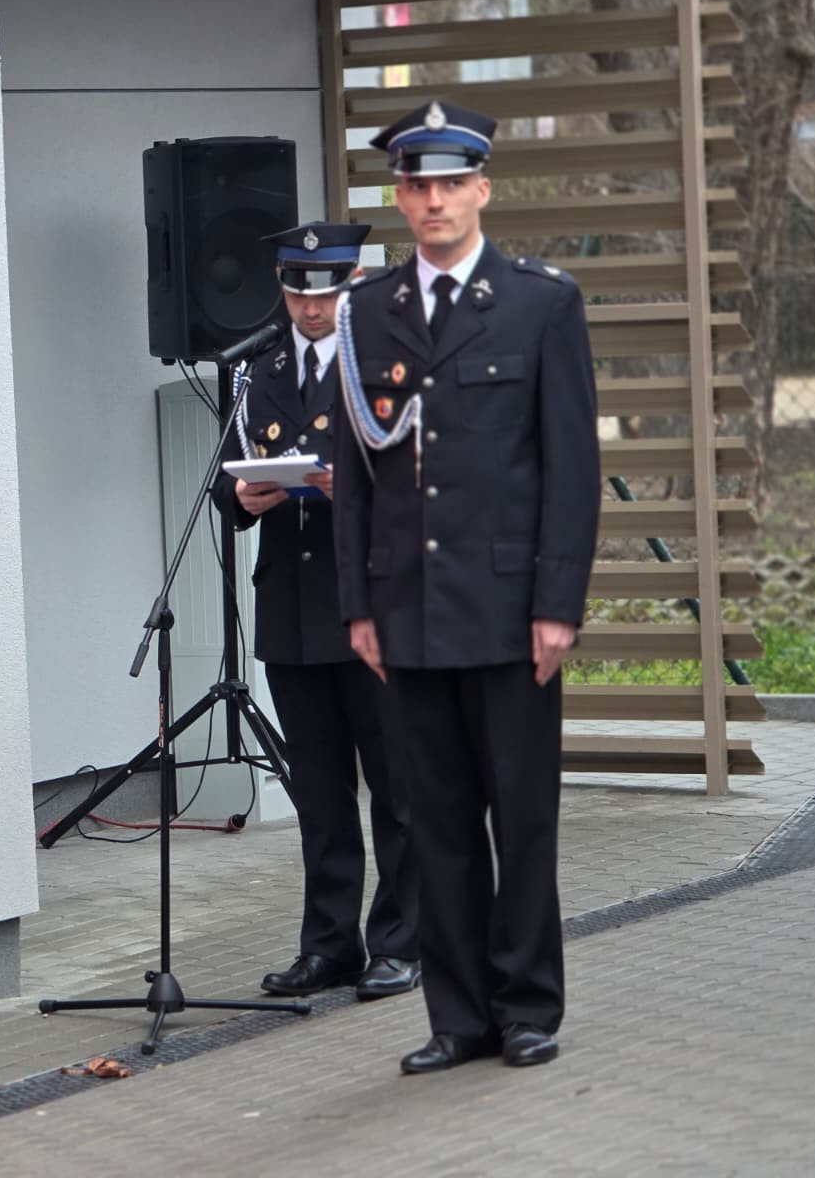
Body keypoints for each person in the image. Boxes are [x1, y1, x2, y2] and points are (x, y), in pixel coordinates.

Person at [331, 101, 600, 1072]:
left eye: (450, 183)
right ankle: (457, 1018)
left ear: (482, 189)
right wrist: (358, 605)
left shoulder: (538, 303)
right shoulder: (367, 311)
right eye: (416, 185)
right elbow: (354, 475)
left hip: (508, 609)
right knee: (431, 821)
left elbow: (569, 471)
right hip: (407, 613)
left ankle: (526, 1006)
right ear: (398, 196)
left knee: (520, 819)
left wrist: (557, 604)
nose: (432, 200)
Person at [210, 222, 419, 1003]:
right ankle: (329, 944)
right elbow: (227, 485)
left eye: (323, 290)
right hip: (294, 609)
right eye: (296, 290)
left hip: (373, 606)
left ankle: (402, 939)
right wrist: (245, 494)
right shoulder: (257, 371)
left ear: (353, 282)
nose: (308, 306)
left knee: (396, 788)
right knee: (321, 794)